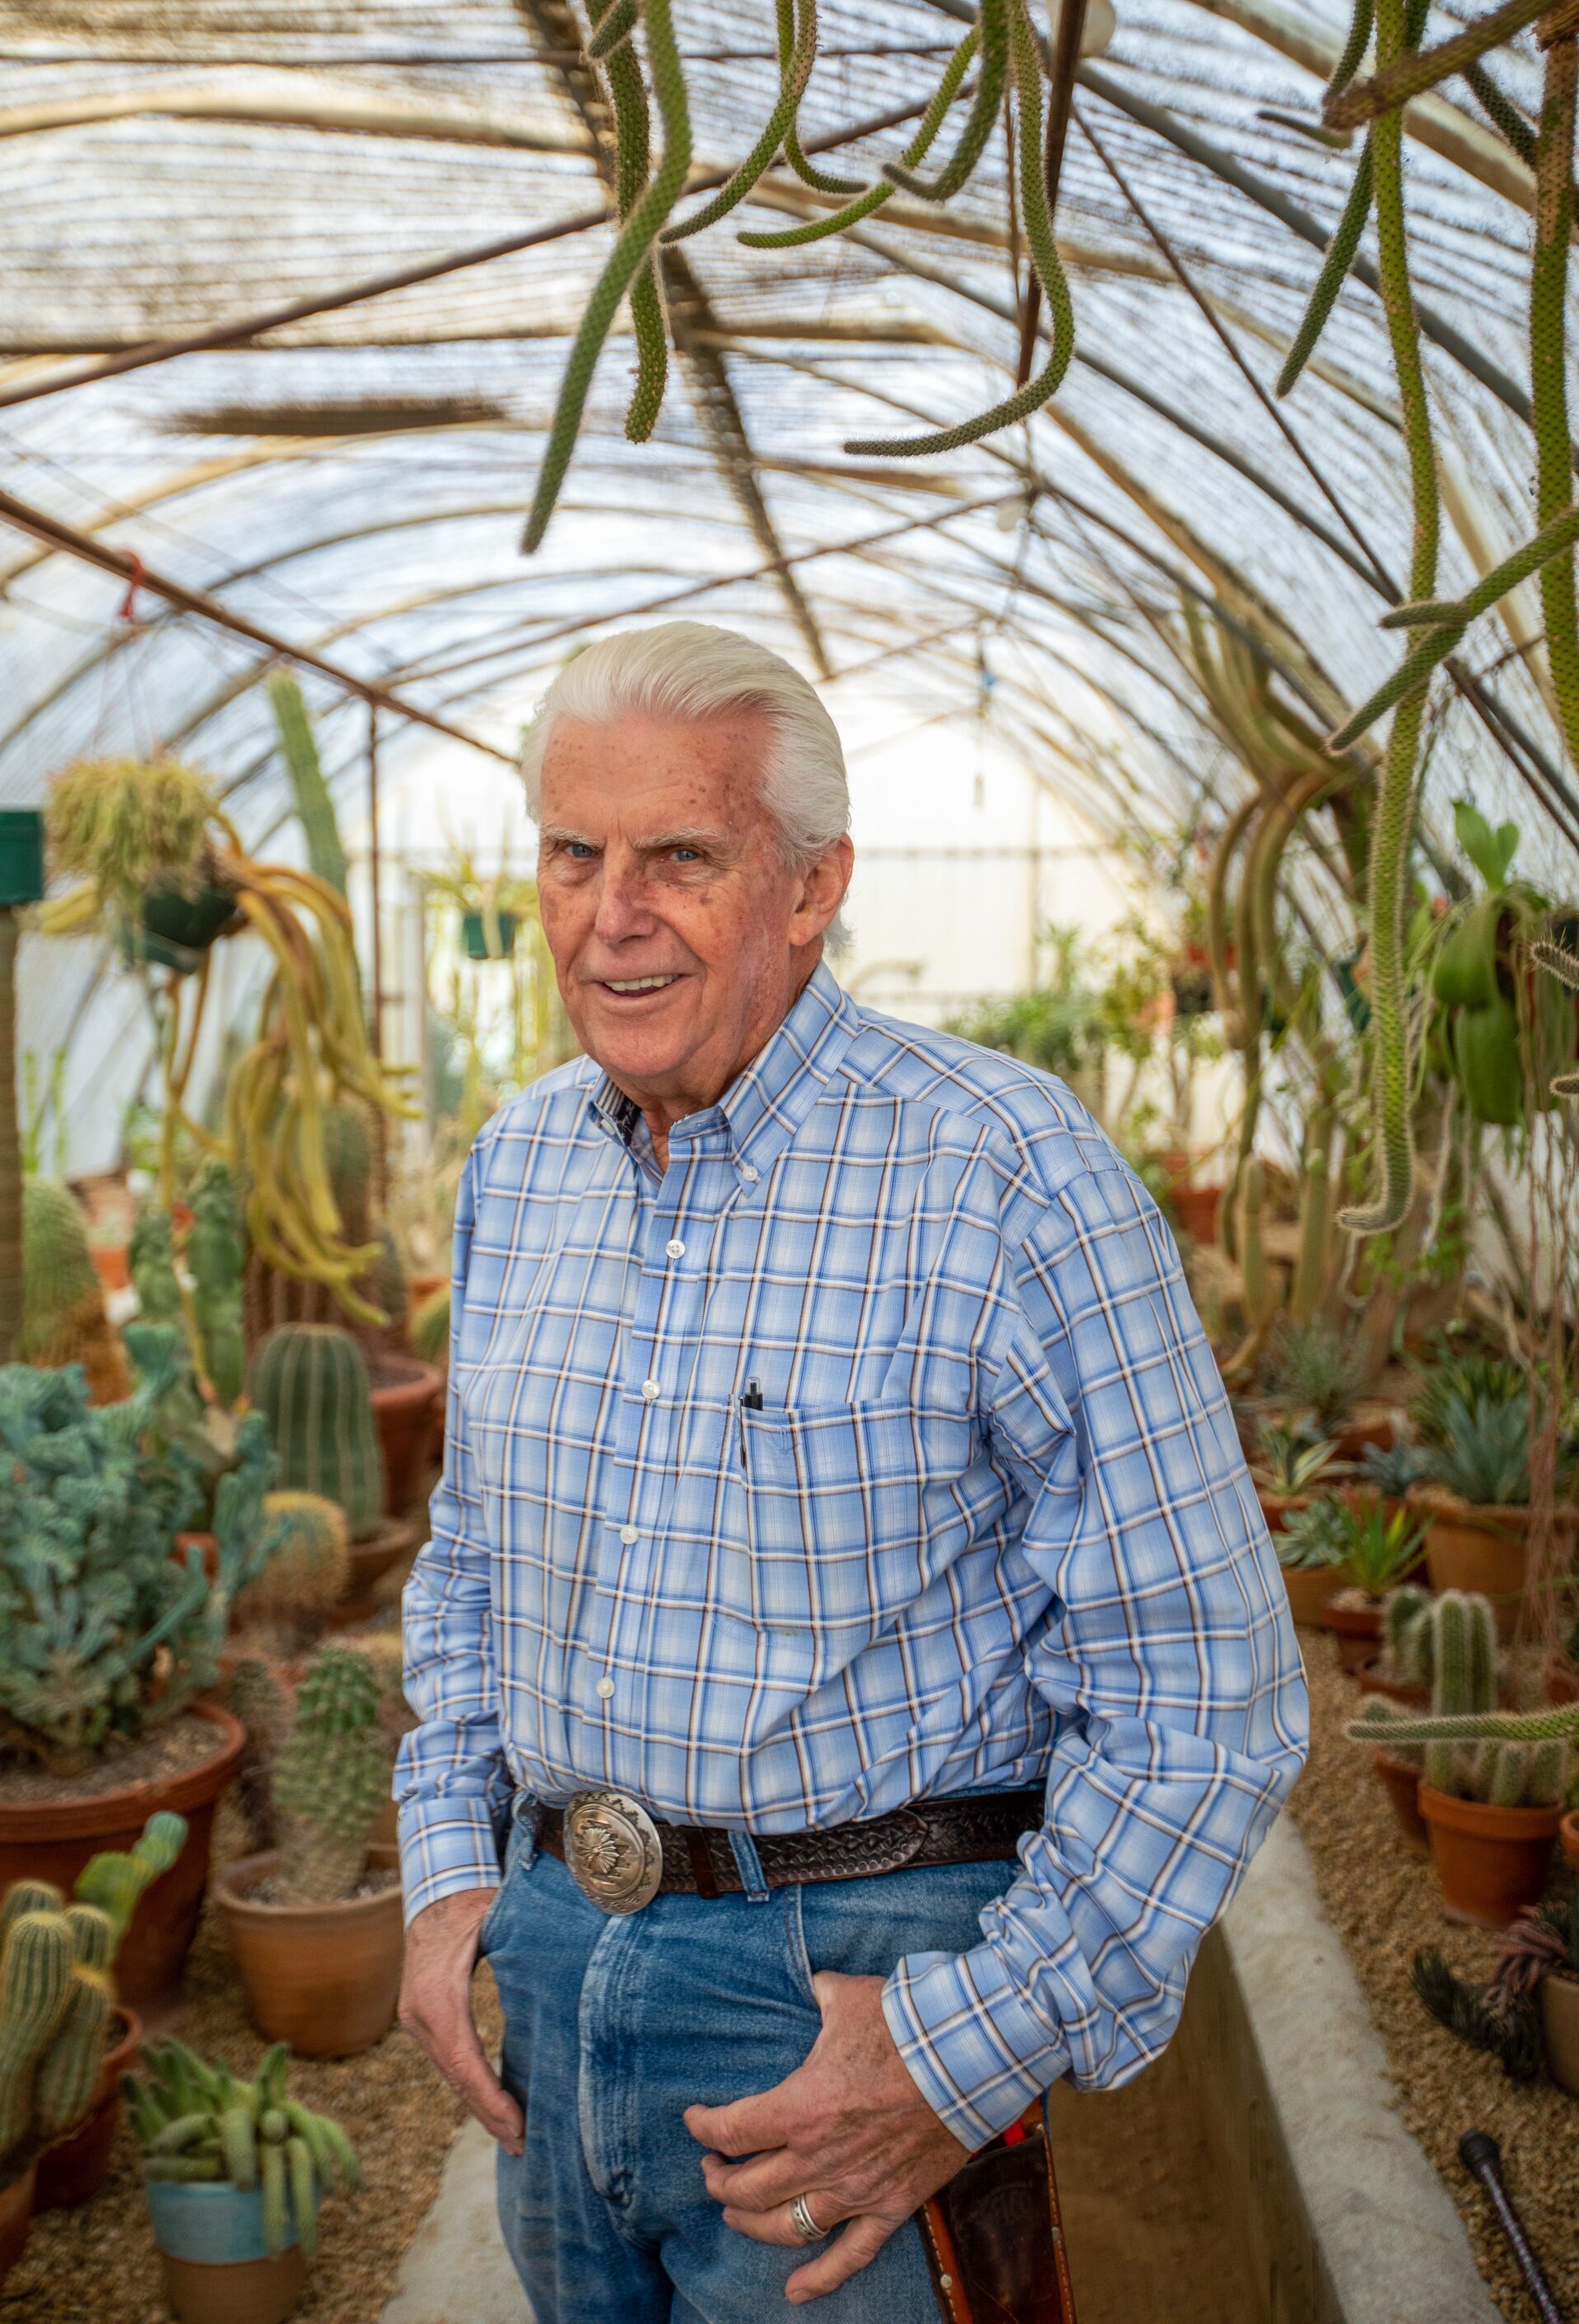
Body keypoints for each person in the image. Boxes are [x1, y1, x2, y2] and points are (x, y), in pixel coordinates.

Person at [396, 620, 1307, 2322]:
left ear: (810, 887)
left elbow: (1209, 1695)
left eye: (681, 857)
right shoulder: (519, 1163)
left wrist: (960, 2057)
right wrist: (451, 1880)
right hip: (553, 1970)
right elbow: (465, 1566)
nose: (612, 914)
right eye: (574, 853)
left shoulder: (1002, 1174)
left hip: (841, 2006)